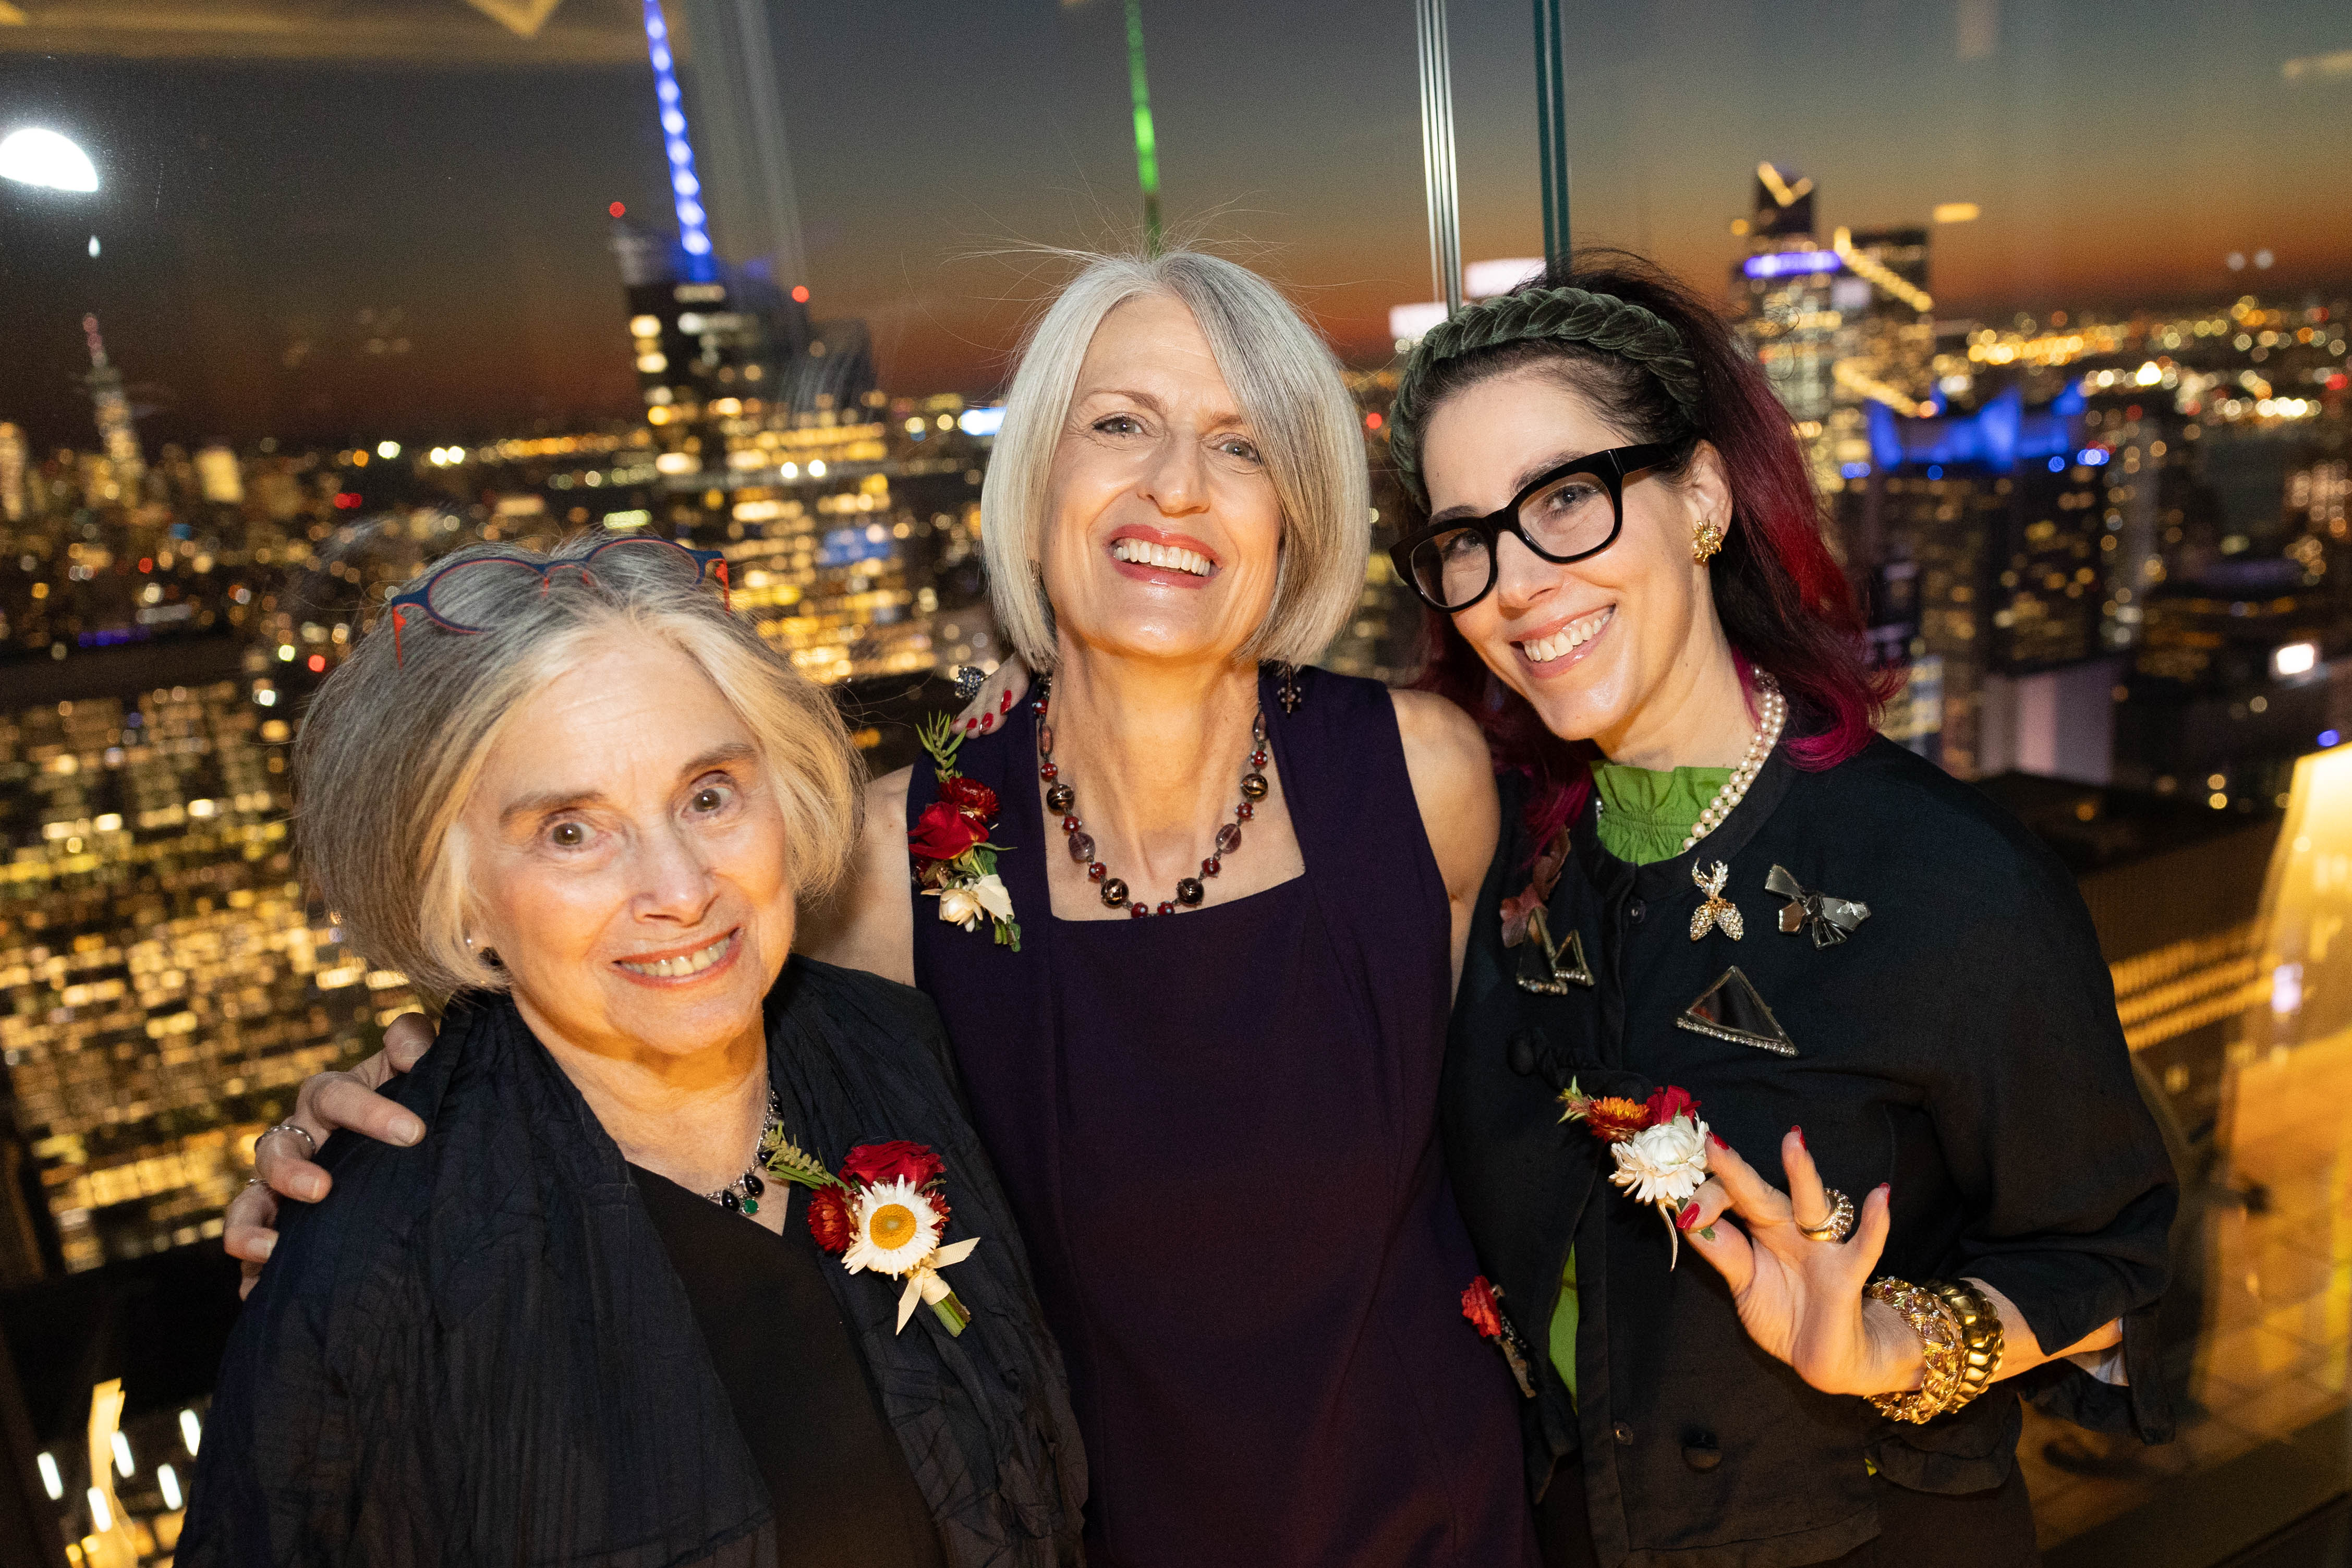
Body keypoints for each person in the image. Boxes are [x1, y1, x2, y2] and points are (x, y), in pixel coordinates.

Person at [226, 251, 1539, 1566]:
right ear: (1031, 492)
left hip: (1443, 1527)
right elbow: (662, 1043)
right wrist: (406, 1102)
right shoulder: (877, 861)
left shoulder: (1423, 784)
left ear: (1298, 518)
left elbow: (1523, 1123)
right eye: (1120, 423)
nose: (1177, 484)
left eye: (1240, 445)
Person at [1386, 254, 2177, 1567]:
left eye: (1566, 499)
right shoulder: (1501, 864)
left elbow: (2115, 1264)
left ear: (1698, 496)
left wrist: (1887, 1345)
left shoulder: (1945, 877)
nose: (1517, 583)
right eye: (1467, 539)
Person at [181, 535, 1084, 1567]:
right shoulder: (379, 1268)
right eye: (572, 830)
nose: (680, 884)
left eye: (708, 795)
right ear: (459, 892)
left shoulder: (899, 1054)